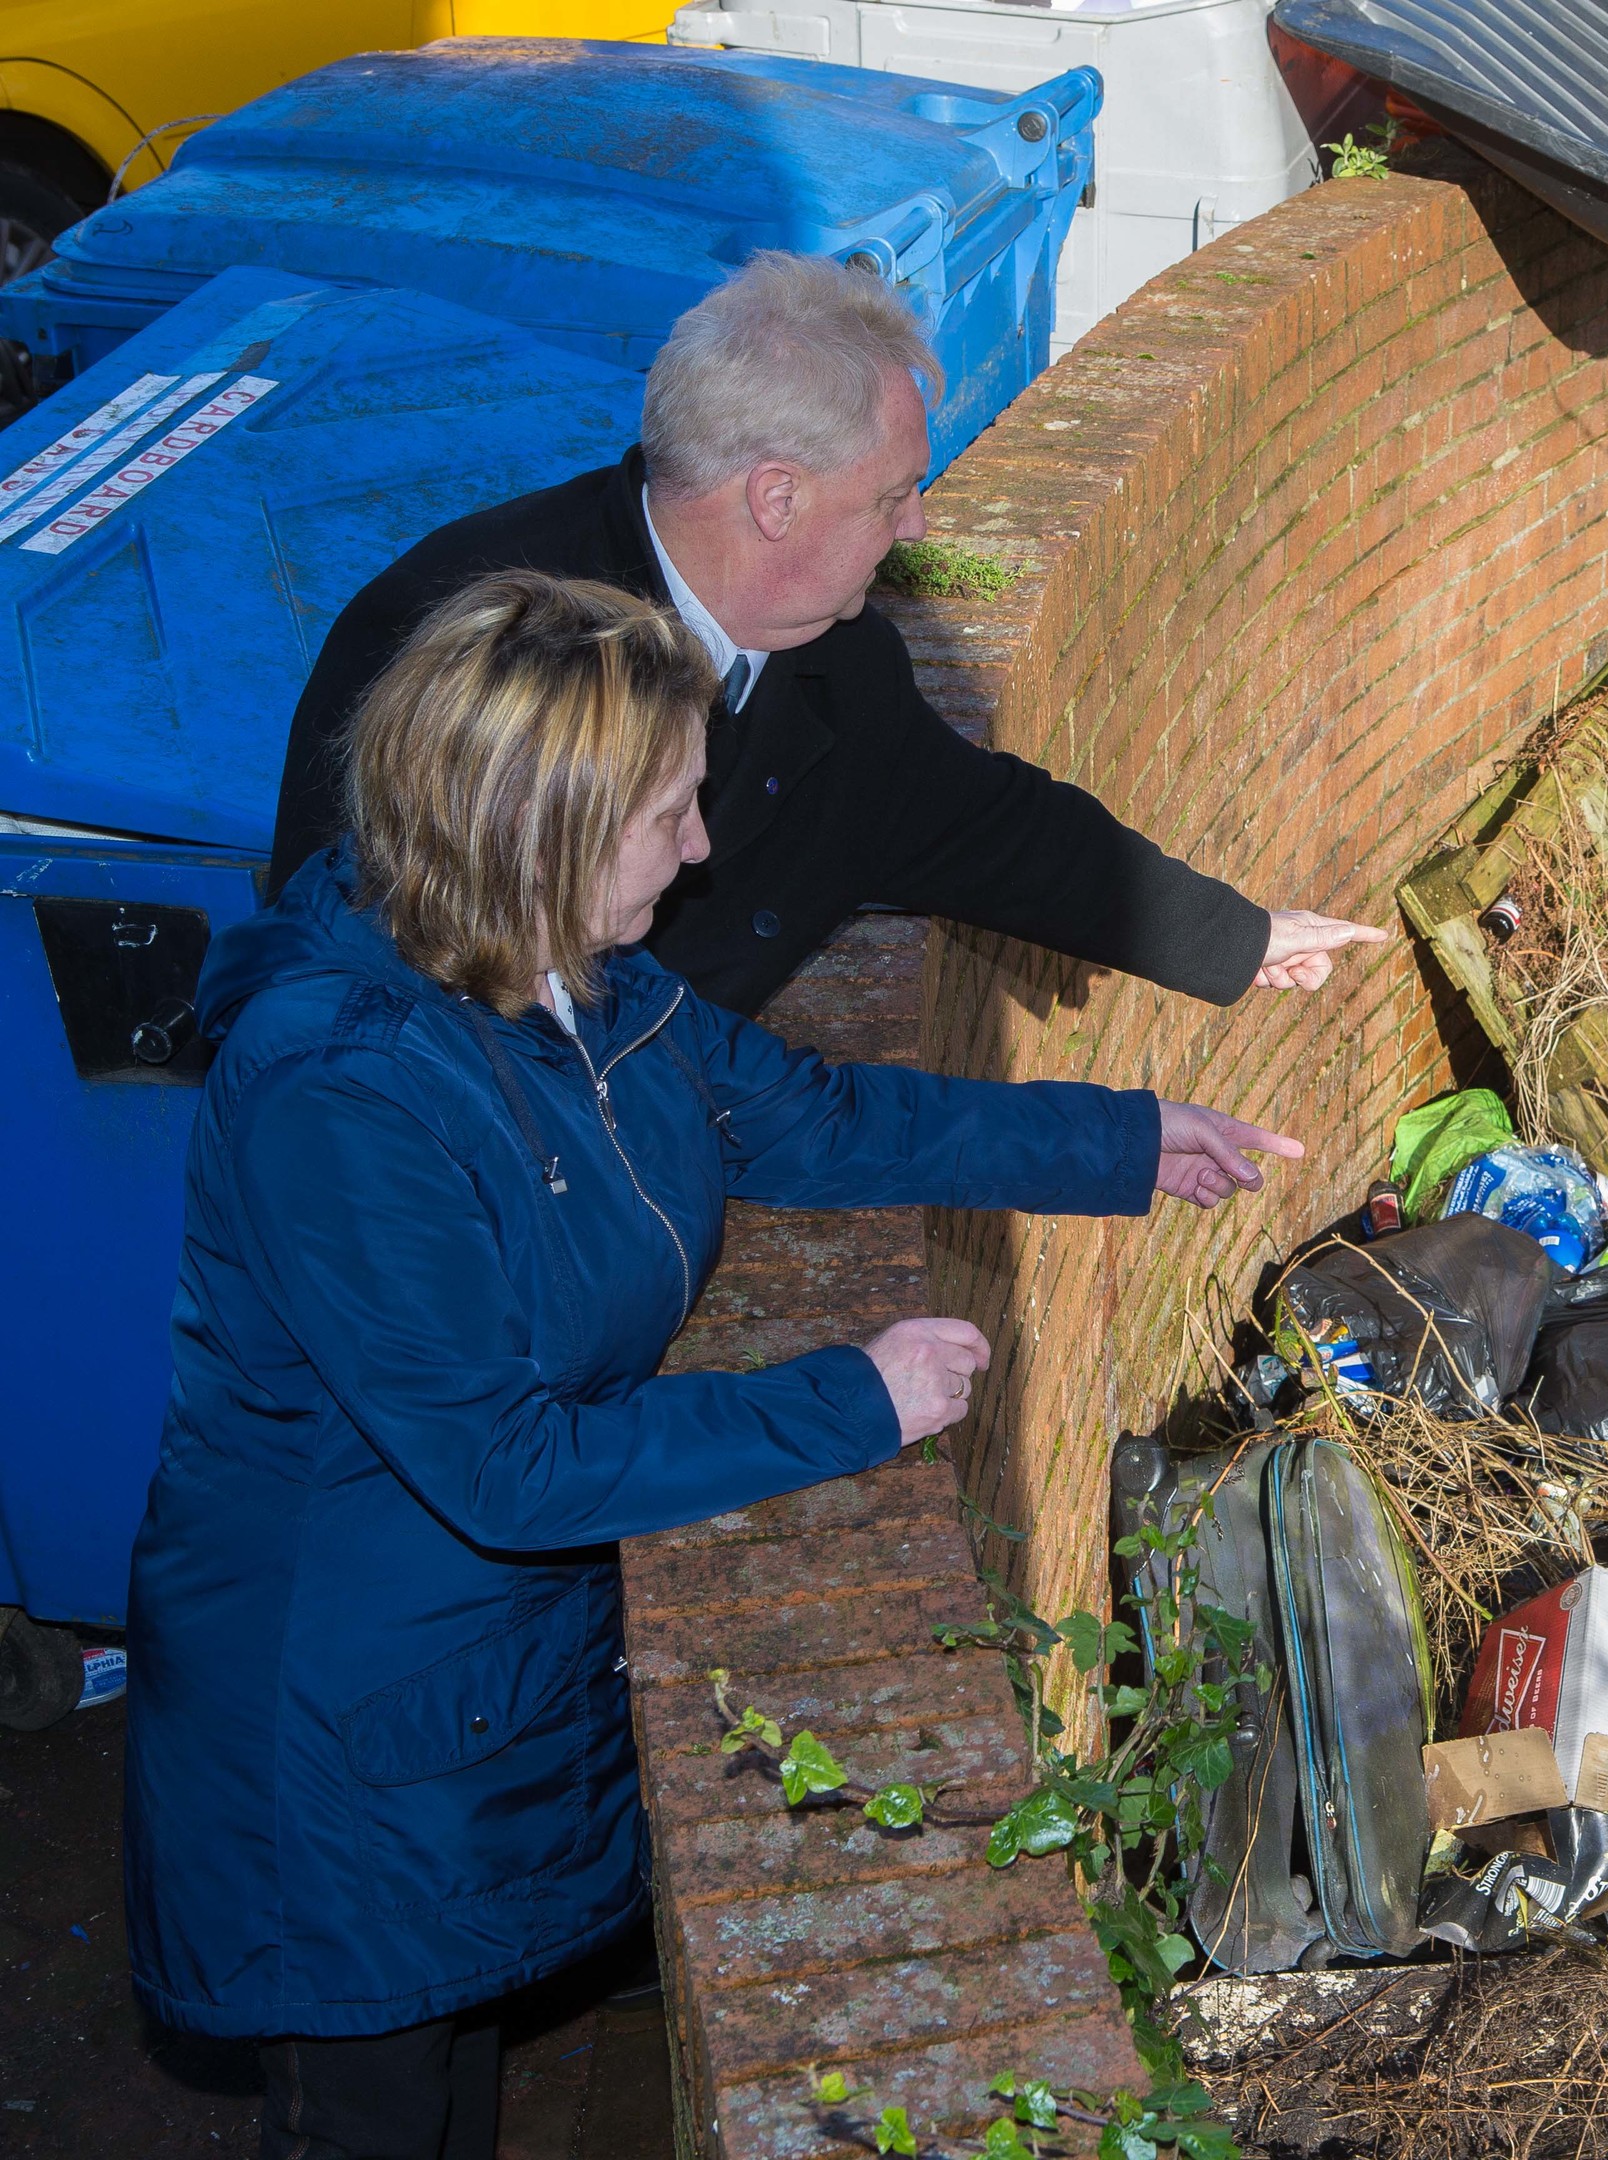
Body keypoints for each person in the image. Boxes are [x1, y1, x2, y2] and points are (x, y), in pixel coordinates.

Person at [125, 573, 1299, 2159]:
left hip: (465, 1685)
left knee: (445, 2085)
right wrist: (852, 1396)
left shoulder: (561, 967)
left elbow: (800, 1116)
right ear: (541, 827)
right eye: (669, 810)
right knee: (375, 2112)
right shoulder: (338, 1093)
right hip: (336, 1728)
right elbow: (506, 1460)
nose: (700, 847)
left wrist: (1119, 1138)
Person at [263, 250, 1382, 1018]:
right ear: (777, 500)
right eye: (893, 496)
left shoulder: (834, 657)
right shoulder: (458, 654)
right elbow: (358, 998)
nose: (919, 527)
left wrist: (1242, 939)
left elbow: (985, 826)